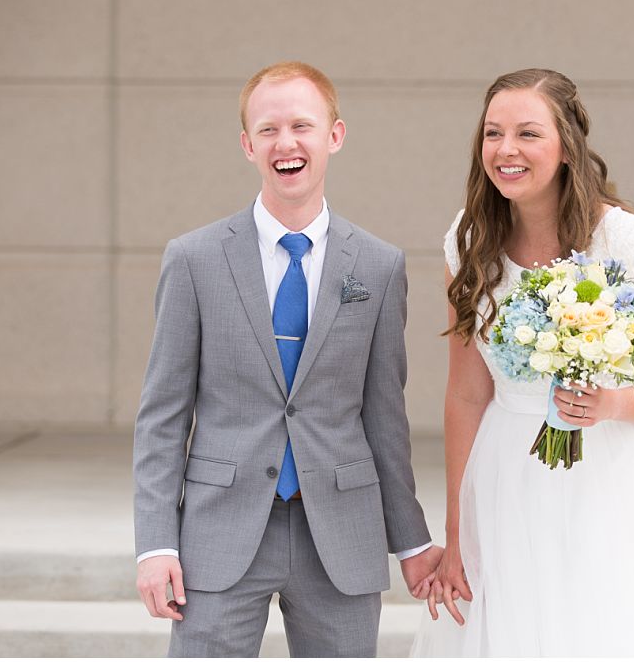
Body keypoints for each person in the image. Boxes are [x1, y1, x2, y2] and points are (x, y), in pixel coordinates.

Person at [410, 69, 634, 656]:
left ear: (567, 145)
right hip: (506, 474)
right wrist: (457, 531)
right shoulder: (468, 244)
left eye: (528, 133)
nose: (506, 150)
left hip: (613, 475)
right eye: (492, 133)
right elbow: (466, 394)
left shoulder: (629, 243)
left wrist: (611, 401)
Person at [132, 61, 443, 657]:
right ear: (248, 145)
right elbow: (162, 415)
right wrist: (155, 544)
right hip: (219, 531)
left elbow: (384, 417)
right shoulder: (194, 260)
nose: (286, 143)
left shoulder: (379, 266)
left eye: (303, 125)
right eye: (268, 129)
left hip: (342, 534)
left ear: (335, 136)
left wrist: (410, 541)